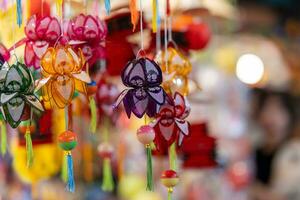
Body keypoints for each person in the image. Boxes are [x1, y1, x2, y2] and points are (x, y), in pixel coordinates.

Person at [250, 89, 295, 200]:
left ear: (289, 115)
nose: (271, 114)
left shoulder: (294, 152)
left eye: (278, 109)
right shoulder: (254, 149)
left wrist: (251, 188)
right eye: (266, 108)